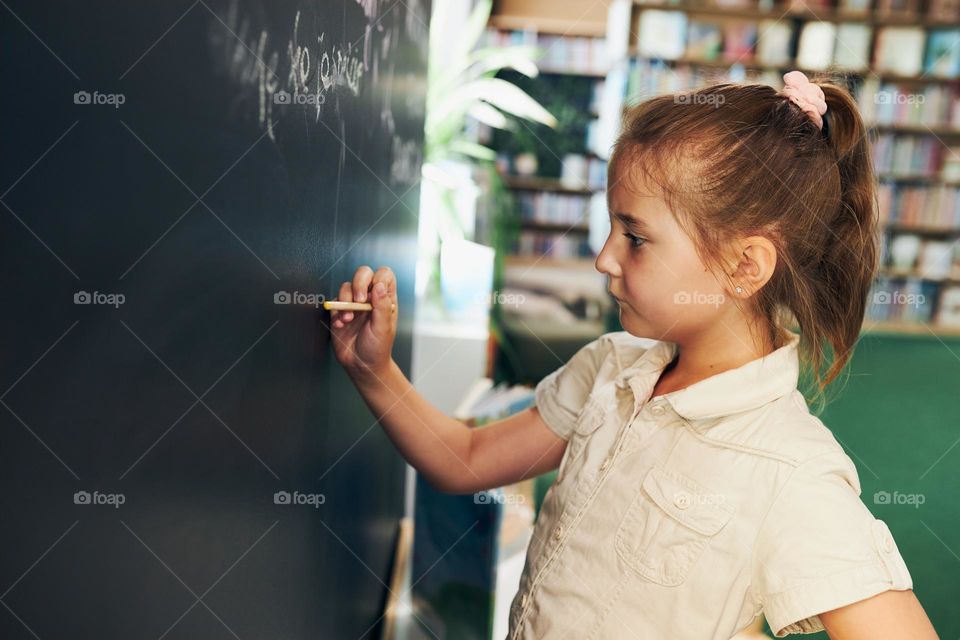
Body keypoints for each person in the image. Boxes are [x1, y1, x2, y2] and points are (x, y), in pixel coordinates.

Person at [328, 71, 939, 639]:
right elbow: (463, 459)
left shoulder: (789, 470)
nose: (604, 258)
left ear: (743, 266)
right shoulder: (609, 368)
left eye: (636, 238)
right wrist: (373, 370)